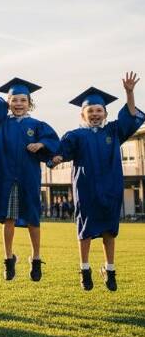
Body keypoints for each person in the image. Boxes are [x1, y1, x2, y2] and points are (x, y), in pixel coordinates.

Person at [51, 74, 143, 291]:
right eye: (90, 111)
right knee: (85, 232)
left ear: (105, 113)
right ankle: (85, 270)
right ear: (83, 113)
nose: (94, 114)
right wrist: (56, 158)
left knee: (110, 232)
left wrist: (129, 93)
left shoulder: (113, 131)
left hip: (110, 189)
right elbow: (61, 153)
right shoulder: (75, 135)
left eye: (98, 110)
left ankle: (110, 270)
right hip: (86, 190)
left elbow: (130, 116)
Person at [0, 55, 59, 282]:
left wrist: (41, 144)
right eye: (14, 100)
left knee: (33, 220)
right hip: (7, 178)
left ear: (29, 102)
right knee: (8, 219)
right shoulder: (1, 124)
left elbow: (54, 142)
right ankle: (8, 258)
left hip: (28, 177)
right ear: (9, 103)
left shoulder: (37, 125)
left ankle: (35, 258)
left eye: (23, 100)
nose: (19, 103)